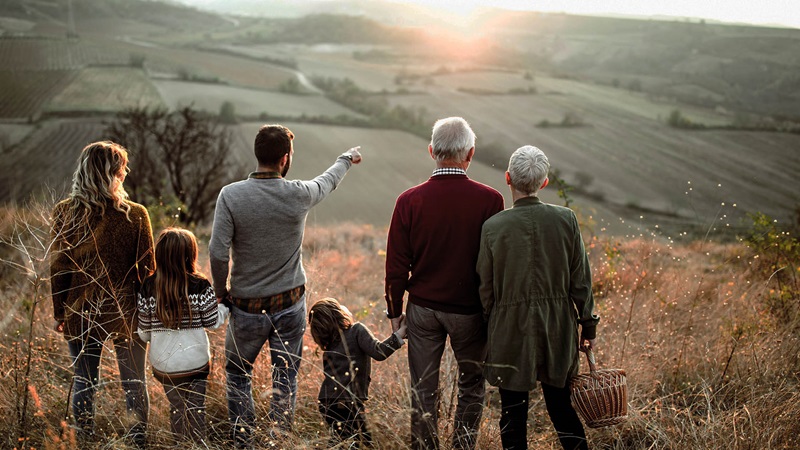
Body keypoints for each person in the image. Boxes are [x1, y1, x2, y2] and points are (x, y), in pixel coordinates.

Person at [209, 124, 362, 448]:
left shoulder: (231, 196)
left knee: (237, 374)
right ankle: (278, 441)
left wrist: (221, 293)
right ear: (284, 158)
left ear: (258, 154)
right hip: (290, 306)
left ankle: (243, 443)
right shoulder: (299, 193)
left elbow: (218, 252)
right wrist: (346, 158)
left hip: (246, 308)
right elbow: (328, 180)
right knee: (285, 376)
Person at [384, 117, 505, 449]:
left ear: (431, 151)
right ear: (470, 154)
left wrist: (395, 312)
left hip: (422, 310)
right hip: (470, 312)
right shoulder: (490, 200)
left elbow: (395, 266)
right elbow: (494, 263)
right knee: (471, 386)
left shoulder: (408, 200)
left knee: (422, 389)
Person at [476, 145, 600, 450]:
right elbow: (581, 280)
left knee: (512, 413)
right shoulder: (566, 219)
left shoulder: (493, 227)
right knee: (562, 408)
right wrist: (588, 326)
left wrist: (490, 324)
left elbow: (485, 287)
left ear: (507, 178)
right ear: (544, 183)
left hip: (509, 328)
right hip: (558, 328)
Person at [50, 141, 154, 448]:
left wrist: (60, 312)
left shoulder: (65, 212)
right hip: (126, 311)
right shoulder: (135, 214)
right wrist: (147, 312)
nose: (126, 171)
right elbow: (148, 270)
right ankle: (137, 442)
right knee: (134, 382)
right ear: (112, 172)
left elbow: (59, 269)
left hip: (80, 310)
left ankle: (84, 442)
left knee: (85, 381)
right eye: (122, 167)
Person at [137, 228, 230, 443]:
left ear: (160, 255)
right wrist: (225, 306)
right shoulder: (200, 285)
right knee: (196, 409)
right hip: (195, 363)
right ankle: (197, 445)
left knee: (177, 408)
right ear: (191, 254)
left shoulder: (148, 287)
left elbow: (144, 334)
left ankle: (180, 444)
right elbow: (213, 322)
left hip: (165, 366)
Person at [308, 298, 408, 448]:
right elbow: (379, 352)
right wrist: (400, 334)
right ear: (339, 313)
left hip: (326, 401)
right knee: (363, 442)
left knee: (341, 440)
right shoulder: (356, 330)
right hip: (347, 401)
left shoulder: (329, 344)